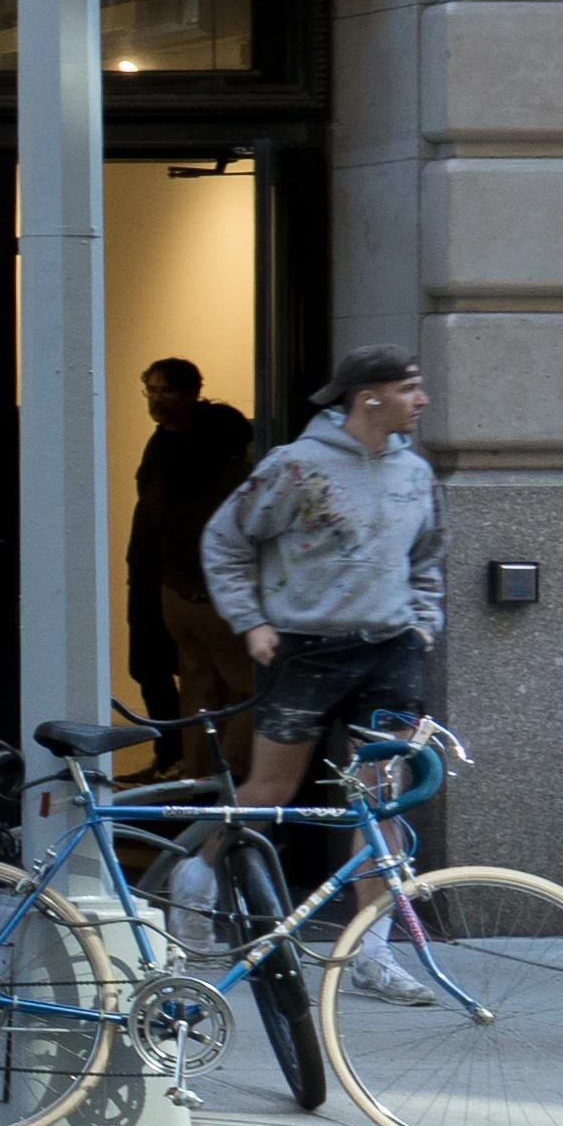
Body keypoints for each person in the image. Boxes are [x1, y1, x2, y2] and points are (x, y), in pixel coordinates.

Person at [201, 344, 444, 814]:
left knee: (379, 800)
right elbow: (225, 540)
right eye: (409, 389)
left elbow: (428, 557)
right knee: (270, 792)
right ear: (369, 398)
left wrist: (423, 624)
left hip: (391, 649)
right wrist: (250, 621)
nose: (423, 400)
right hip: (306, 650)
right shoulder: (295, 467)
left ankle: (378, 892)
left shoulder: (415, 473)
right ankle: (201, 876)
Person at [124, 354, 261, 739]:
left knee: (226, 679)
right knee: (162, 668)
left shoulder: (210, 443)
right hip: (160, 571)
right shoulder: (164, 441)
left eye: (166, 391)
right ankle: (181, 761)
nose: (156, 400)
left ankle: (221, 771)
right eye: (151, 391)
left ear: (190, 394)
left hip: (199, 578)